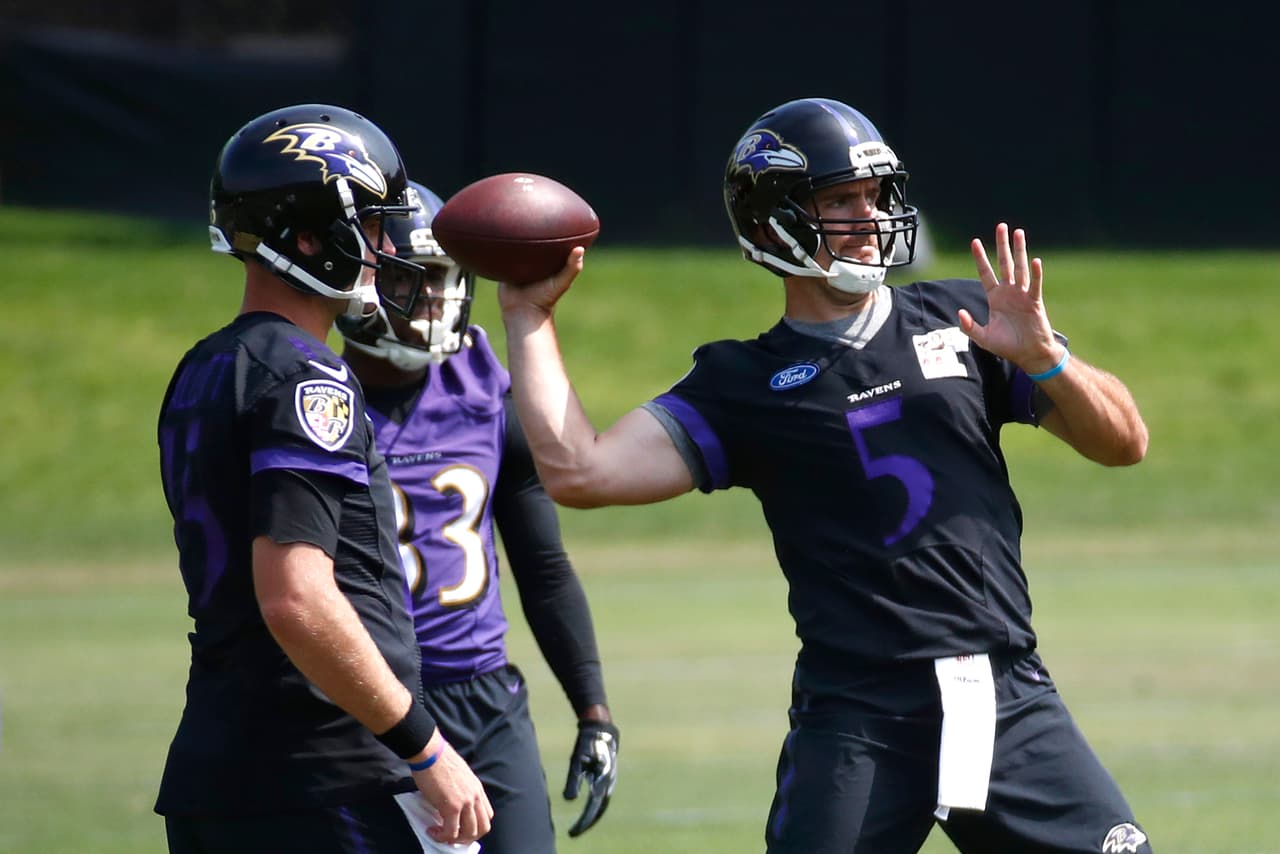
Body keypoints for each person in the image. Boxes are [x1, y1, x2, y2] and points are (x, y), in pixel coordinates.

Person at [494, 97, 1154, 854]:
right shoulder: (742, 380)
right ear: (775, 222)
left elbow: (1124, 443)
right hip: (860, 713)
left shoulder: (966, 320)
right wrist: (528, 317)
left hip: (999, 692)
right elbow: (582, 471)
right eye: (842, 200)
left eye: (875, 196)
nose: (870, 217)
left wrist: (1047, 360)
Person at [155, 103, 493, 853]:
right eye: (371, 225)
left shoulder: (205, 367)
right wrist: (425, 747)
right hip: (322, 772)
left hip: (219, 765)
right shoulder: (310, 376)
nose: (388, 246)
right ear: (308, 236)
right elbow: (297, 597)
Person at [335, 180, 620, 853]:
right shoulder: (318, 402)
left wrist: (594, 711)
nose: (438, 299)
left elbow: (542, 565)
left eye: (448, 280)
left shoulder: (483, 384)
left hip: (487, 702)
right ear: (360, 288)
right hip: (368, 704)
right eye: (418, 281)